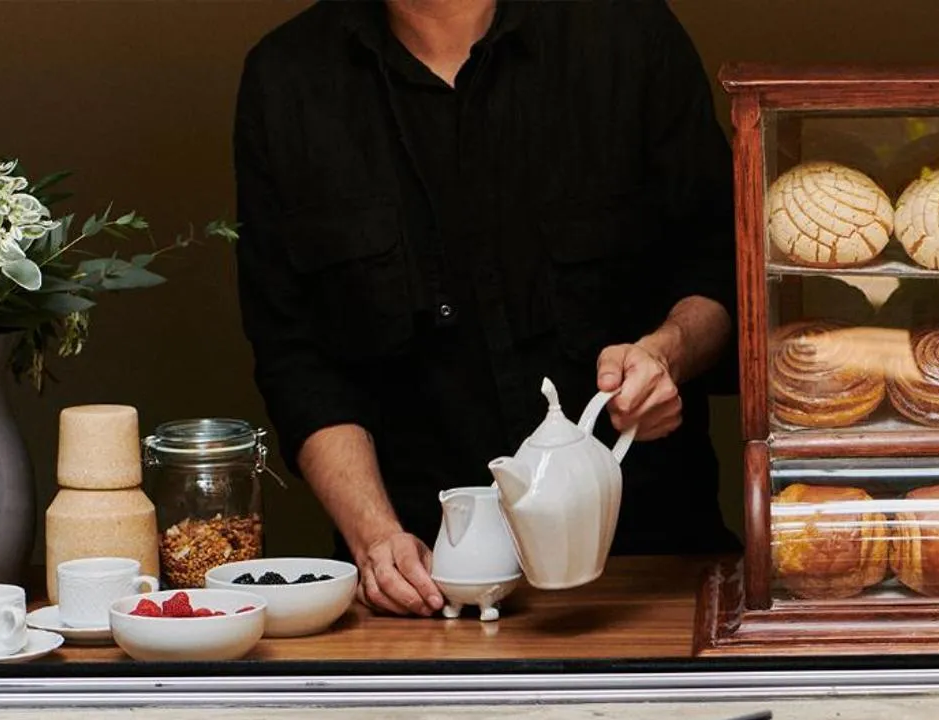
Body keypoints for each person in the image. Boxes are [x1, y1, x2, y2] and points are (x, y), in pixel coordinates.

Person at [233, 0, 738, 617]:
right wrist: (375, 537)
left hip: (647, 576)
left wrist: (668, 354)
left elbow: (722, 268)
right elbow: (295, 357)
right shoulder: (286, 79)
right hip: (421, 585)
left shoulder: (627, 35)